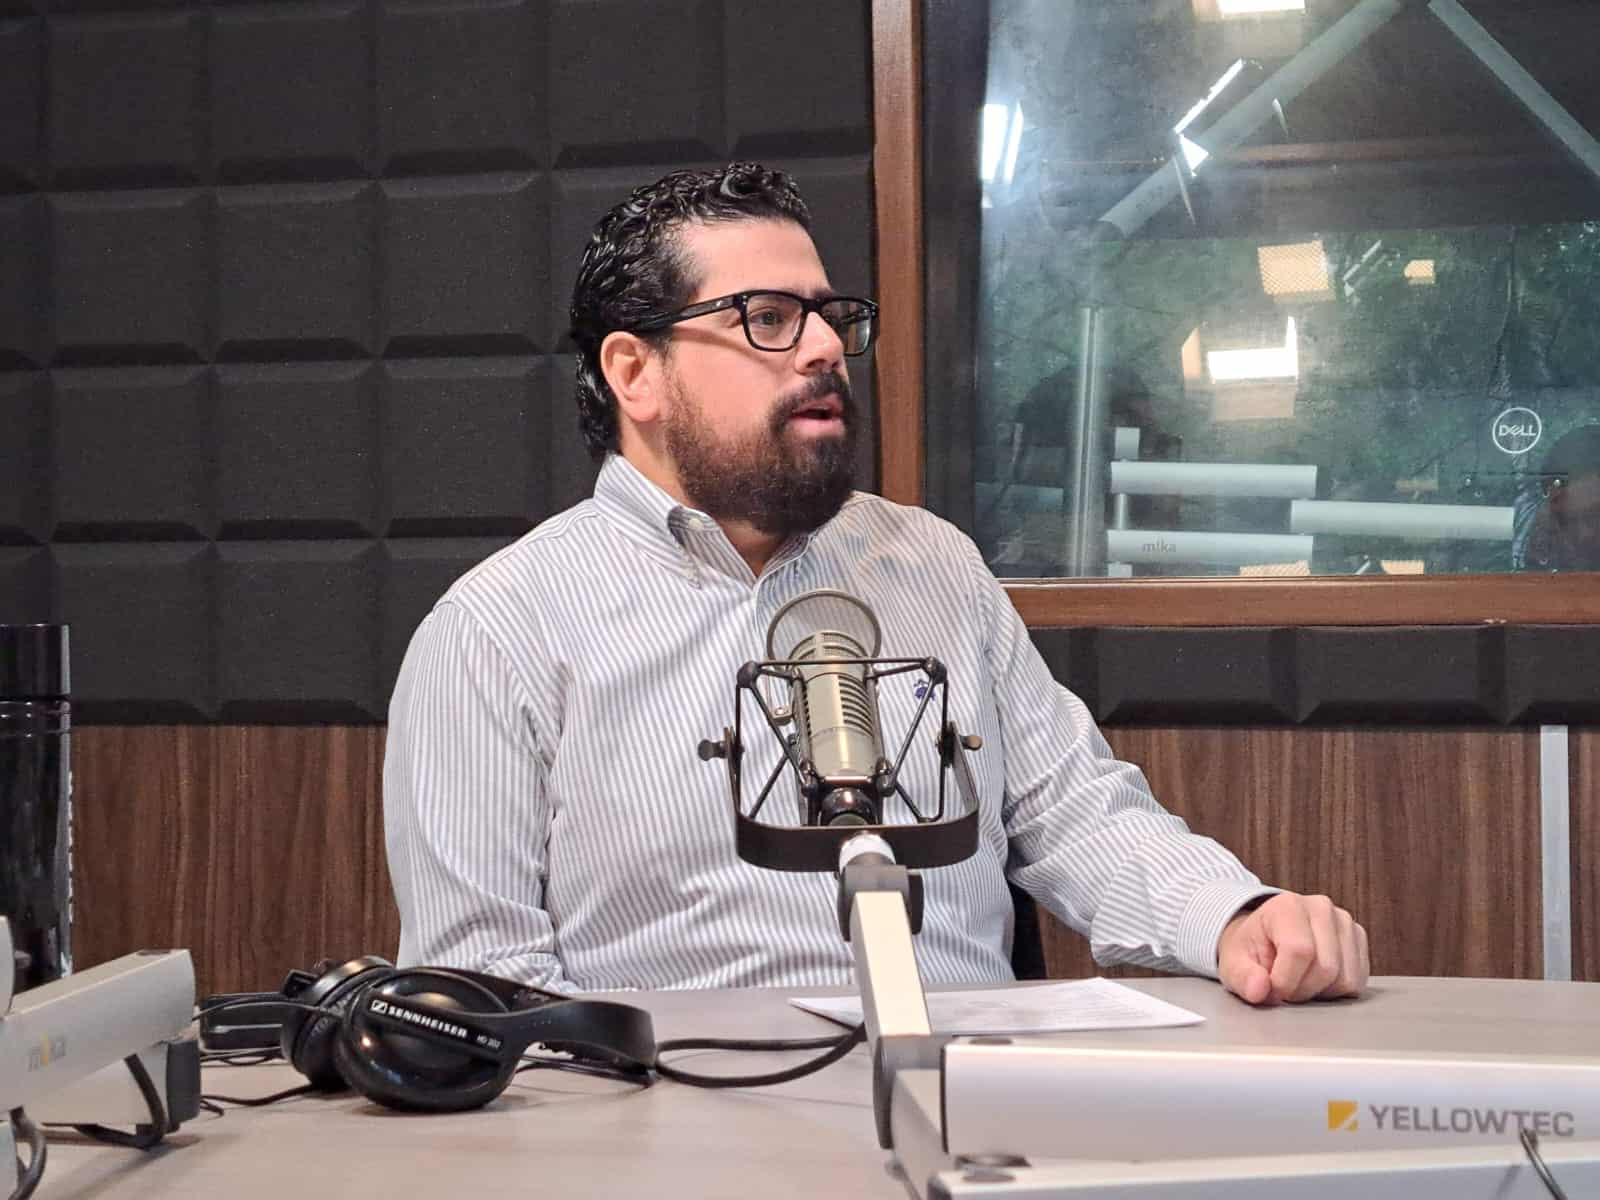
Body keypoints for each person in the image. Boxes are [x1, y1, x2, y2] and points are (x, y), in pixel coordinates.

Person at [384, 162, 1367, 1006]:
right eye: (765, 319)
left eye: (827, 316)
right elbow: (488, 986)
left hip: (975, 1114)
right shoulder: (498, 631)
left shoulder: (930, 564)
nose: (821, 348)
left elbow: (1076, 814)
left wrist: (1236, 916)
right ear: (636, 373)